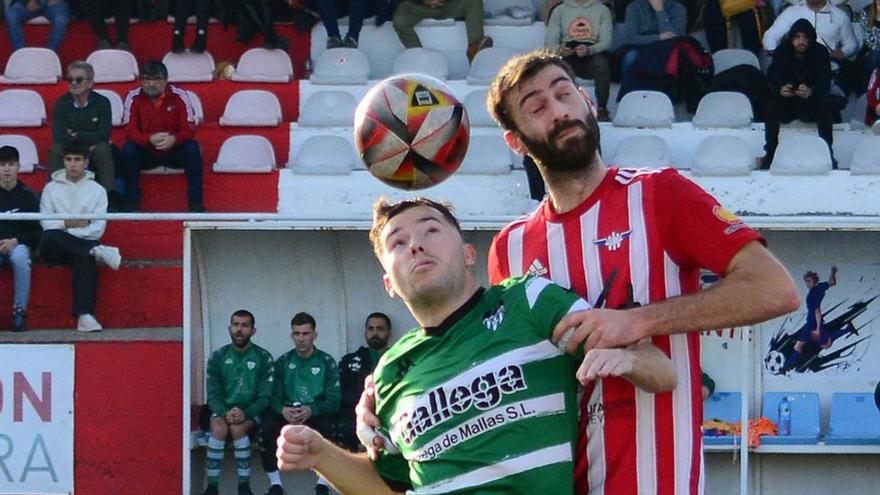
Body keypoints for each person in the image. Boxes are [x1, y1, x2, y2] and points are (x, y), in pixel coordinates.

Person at [481, 50, 800, 494]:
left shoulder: (659, 194)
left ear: (588, 103)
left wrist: (635, 321)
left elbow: (775, 289)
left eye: (564, 94)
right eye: (536, 107)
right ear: (515, 140)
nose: (559, 111)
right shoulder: (509, 249)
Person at [277, 197, 678, 494]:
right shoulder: (388, 372)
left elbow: (663, 373)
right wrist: (321, 455)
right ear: (389, 286)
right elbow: (391, 489)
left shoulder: (527, 302)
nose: (416, 244)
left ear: (470, 253)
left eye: (431, 229)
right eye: (398, 242)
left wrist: (624, 359)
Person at [39, 141, 122, 333]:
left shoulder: (98, 191)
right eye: (68, 160)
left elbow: (97, 229)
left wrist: (65, 229)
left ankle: (85, 316)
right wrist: (69, 223)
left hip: (82, 244)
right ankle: (96, 251)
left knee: (84, 255)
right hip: (55, 248)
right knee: (49, 237)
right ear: (63, 162)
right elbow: (46, 224)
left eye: (77, 160)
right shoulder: (50, 189)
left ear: (86, 162)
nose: (73, 164)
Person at [258, 312, 340, 495]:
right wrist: (283, 410)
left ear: (314, 335)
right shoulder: (283, 362)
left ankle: (322, 485)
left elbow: (334, 401)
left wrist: (313, 409)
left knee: (331, 428)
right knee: (265, 429)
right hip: (288, 414)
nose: (301, 339)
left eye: (305, 334)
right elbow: (273, 398)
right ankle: (276, 486)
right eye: (297, 334)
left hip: (314, 414)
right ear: (292, 335)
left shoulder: (326, 362)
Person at [203, 309, 275, 495]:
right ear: (229, 328)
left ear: (253, 330)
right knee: (219, 428)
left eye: (244, 325)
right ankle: (212, 487)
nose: (239, 330)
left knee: (237, 428)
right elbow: (212, 393)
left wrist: (247, 412)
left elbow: (265, 397)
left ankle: (244, 486)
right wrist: (223, 411)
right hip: (223, 410)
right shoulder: (217, 357)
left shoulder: (263, 357)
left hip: (251, 412)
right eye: (236, 325)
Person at [120, 61, 205, 213]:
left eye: (156, 79)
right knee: (129, 150)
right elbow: (130, 131)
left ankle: (196, 205)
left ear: (166, 80)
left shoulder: (179, 96)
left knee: (192, 148)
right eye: (146, 79)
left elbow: (189, 129)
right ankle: (132, 204)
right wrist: (148, 139)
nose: (151, 84)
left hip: (174, 150)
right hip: (147, 151)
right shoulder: (133, 97)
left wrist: (174, 139)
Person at [763, 19, 836, 168]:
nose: (801, 41)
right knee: (770, 107)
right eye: (797, 37)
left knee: (824, 108)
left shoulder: (820, 52)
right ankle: (770, 153)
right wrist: (780, 89)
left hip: (810, 102)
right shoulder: (782, 51)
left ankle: (828, 152)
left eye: (805, 37)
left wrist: (812, 91)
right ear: (791, 38)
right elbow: (772, 76)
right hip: (787, 102)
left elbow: (825, 81)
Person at [50, 61, 119, 207]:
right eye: (70, 80)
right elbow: (58, 136)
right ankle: (52, 196)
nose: (73, 83)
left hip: (93, 150)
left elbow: (103, 135)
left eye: (79, 79)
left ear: (90, 83)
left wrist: (76, 135)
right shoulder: (61, 104)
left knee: (103, 149)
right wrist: (84, 142)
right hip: (71, 150)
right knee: (56, 149)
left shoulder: (103, 103)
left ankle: (109, 198)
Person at [762, 0, 859, 97]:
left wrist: (843, 52)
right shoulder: (792, 12)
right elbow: (769, 37)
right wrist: (778, 54)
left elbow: (852, 44)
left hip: (825, 65)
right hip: (795, 65)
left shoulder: (839, 16)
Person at [544, 0, 614, 121]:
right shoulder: (560, 10)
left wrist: (589, 50)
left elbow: (606, 42)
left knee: (601, 64)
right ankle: (565, 110)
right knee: (557, 68)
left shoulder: (602, 10)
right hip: (567, 53)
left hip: (593, 52)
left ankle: (602, 108)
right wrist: (561, 50)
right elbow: (550, 43)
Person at [337, 312, 392, 452]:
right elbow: (341, 393)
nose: (375, 333)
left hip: (390, 414)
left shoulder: (398, 361)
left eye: (380, 329)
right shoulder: (349, 361)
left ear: (388, 332)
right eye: (371, 328)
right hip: (355, 415)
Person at [0, 145, 40, 333]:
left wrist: (15, 241)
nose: (6, 169)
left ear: (18, 167)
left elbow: (36, 231)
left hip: (19, 244)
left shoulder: (28, 196)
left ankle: (19, 311)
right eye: (2, 164)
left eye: (11, 164)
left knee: (21, 258)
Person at [782, 266, 854, 370]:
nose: (807, 284)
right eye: (806, 282)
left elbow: (817, 311)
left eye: (809, 281)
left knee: (800, 346)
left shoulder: (812, 295)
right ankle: (847, 330)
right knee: (825, 343)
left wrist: (817, 329)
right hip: (814, 323)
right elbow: (832, 282)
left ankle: (786, 367)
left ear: (814, 280)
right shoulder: (820, 287)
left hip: (811, 324)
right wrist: (833, 272)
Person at [617, 0, 688, 98]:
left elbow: (677, 39)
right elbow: (631, 38)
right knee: (630, 58)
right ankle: (628, 97)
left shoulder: (677, 8)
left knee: (676, 59)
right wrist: (659, 37)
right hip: (641, 47)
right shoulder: (634, 7)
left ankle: (665, 98)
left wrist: (660, 11)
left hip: (667, 51)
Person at [392, 0, 493, 62]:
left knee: (474, 1)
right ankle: (420, 58)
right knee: (399, 20)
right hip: (418, 7)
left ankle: (475, 51)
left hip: (448, 5)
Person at [5, 0, 70, 51]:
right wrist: (26, 2)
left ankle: (50, 53)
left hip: (54, 4)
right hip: (29, 2)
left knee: (61, 20)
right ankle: (20, 52)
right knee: (12, 16)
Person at [858, 0, 880, 93]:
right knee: (875, 56)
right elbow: (868, 38)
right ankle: (864, 91)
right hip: (871, 48)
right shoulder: (866, 12)